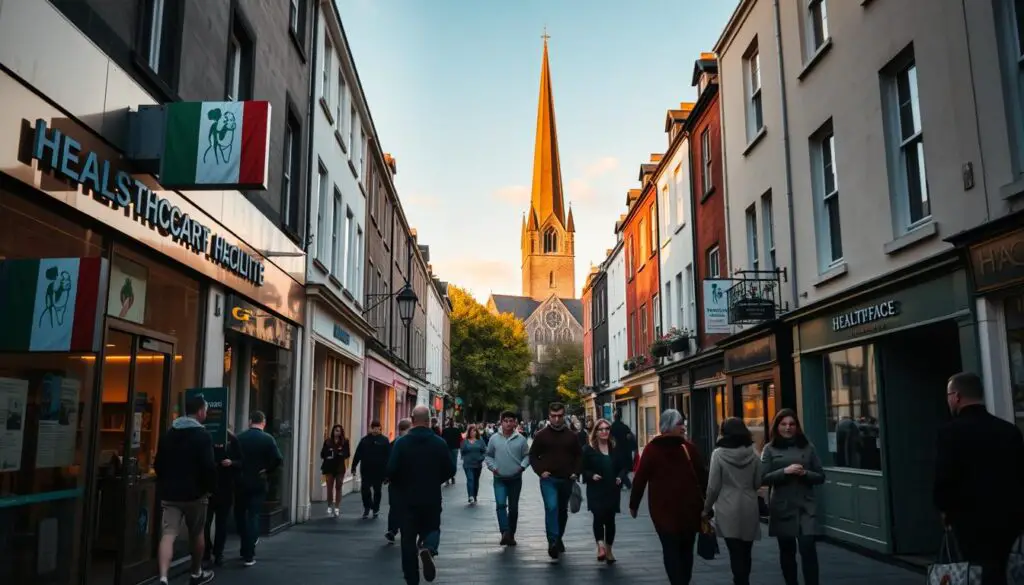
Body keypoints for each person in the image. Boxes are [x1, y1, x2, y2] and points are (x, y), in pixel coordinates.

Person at [935, 372, 1024, 585]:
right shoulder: (1009, 431)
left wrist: (944, 509)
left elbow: (945, 476)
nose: (948, 400)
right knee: (997, 567)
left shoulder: (950, 433)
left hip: (968, 517)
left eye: (948, 395)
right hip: (1008, 516)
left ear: (956, 396)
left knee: (975, 568)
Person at [629, 409, 707, 585]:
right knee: (685, 549)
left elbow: (640, 479)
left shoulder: (653, 449)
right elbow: (640, 479)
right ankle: (682, 581)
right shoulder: (688, 448)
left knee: (672, 549)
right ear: (669, 426)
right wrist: (633, 503)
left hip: (667, 511)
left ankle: (678, 581)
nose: (683, 428)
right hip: (685, 510)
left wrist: (634, 504)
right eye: (680, 424)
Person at [387, 405, 455, 584]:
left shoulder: (401, 443)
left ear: (412, 419)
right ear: (428, 421)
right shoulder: (439, 443)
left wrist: (399, 483)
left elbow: (391, 470)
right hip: (431, 497)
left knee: (407, 541)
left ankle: (412, 579)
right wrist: (435, 480)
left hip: (406, 499)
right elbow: (450, 469)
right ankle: (428, 548)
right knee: (432, 528)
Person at [154, 394, 217, 585]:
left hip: (171, 494)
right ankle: (196, 572)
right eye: (205, 410)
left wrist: (166, 483)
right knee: (197, 533)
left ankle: (163, 577)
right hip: (195, 495)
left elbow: (158, 464)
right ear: (200, 412)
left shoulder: (168, 435)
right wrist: (209, 488)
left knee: (168, 534)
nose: (205, 414)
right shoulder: (203, 436)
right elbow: (208, 467)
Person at [761, 408, 825, 585]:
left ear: (797, 426)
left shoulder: (808, 447)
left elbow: (820, 476)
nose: (788, 428)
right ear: (777, 426)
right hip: (782, 506)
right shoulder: (769, 449)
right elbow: (762, 478)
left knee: (808, 548)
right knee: (787, 550)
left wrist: (805, 473)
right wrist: (784, 471)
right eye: (783, 424)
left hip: (806, 506)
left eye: (791, 424)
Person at [703, 417, 762, 585]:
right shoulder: (754, 452)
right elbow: (758, 482)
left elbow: (713, 487)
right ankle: (745, 580)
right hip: (749, 505)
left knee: (734, 551)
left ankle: (739, 580)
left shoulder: (718, 454)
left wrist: (706, 508)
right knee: (746, 551)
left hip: (727, 506)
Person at [529, 401, 583, 559]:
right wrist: (540, 471)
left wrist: (576, 472)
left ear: (564, 415)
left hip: (566, 478)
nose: (557, 419)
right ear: (549, 417)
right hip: (549, 479)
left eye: (560, 416)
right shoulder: (541, 435)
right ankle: (552, 541)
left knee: (561, 510)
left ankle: (558, 537)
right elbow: (533, 455)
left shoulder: (571, 436)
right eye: (554, 416)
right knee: (551, 507)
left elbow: (579, 455)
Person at [235, 411, 284, 567]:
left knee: (241, 515)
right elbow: (278, 459)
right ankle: (250, 551)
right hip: (258, 481)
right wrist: (267, 470)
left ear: (250, 421)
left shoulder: (240, 438)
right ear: (263, 422)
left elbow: (233, 458)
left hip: (241, 481)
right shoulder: (268, 439)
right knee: (254, 515)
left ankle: (244, 546)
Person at [582, 418, 627, 564]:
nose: (604, 431)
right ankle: (600, 546)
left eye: (607, 429)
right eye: (601, 429)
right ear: (596, 432)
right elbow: (582, 468)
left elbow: (623, 467)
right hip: (596, 489)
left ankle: (609, 550)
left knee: (610, 520)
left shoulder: (615, 448)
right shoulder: (588, 449)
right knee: (598, 516)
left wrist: (620, 477)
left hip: (612, 489)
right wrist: (591, 475)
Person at [485, 410, 530, 546]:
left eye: (511, 421)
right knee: (500, 505)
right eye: (506, 421)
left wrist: (522, 467)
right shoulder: (494, 439)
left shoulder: (521, 439)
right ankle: (504, 531)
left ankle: (511, 534)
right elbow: (489, 456)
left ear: (515, 422)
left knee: (514, 508)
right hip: (499, 478)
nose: (508, 424)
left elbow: (527, 456)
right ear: (501, 422)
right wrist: (493, 467)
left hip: (515, 478)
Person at [203, 428, 242, 568]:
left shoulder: (233, 442)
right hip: (211, 488)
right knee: (206, 523)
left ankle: (217, 553)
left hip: (224, 488)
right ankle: (208, 550)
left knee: (220, 523)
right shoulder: (208, 439)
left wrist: (232, 463)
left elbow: (241, 462)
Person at [352, 420, 391, 519]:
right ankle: (367, 506)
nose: (375, 430)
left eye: (377, 428)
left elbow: (389, 456)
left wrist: (388, 473)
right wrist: (353, 467)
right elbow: (358, 454)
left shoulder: (384, 440)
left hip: (379, 470)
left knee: (377, 490)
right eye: (373, 427)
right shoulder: (365, 440)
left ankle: (376, 509)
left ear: (380, 428)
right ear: (370, 428)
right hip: (366, 469)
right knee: (365, 490)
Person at [386, 417, 414, 543]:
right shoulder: (401, 444)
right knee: (397, 506)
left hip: (398, 481)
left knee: (396, 506)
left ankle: (394, 529)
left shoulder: (394, 443)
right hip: (401, 481)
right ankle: (393, 529)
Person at [319, 424, 350, 518]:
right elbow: (322, 453)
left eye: (339, 431)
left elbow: (347, 453)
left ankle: (337, 507)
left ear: (341, 432)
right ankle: (329, 506)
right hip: (329, 466)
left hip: (339, 467)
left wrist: (341, 453)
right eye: (336, 430)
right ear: (333, 431)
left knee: (339, 486)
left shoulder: (345, 442)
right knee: (329, 487)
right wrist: (328, 454)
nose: (337, 432)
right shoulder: (328, 441)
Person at [460, 425, 486, 504]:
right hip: (468, 464)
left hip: (477, 464)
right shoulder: (465, 441)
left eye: (474, 431)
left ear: (476, 432)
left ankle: (475, 495)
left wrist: (481, 458)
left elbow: (484, 451)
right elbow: (462, 451)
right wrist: (465, 457)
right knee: (470, 479)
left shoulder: (480, 440)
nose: (472, 433)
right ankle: (470, 496)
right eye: (471, 431)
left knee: (476, 480)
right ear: (469, 432)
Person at [610, 410, 636, 489]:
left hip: (615, 451)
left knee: (618, 469)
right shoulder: (625, 427)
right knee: (624, 468)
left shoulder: (611, 427)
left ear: (614, 417)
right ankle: (625, 484)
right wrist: (633, 448)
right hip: (625, 451)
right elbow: (630, 437)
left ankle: (625, 484)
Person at [441, 419, 463, 486]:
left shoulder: (445, 430)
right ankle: (453, 477)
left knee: (447, 462)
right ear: (453, 424)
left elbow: (442, 439)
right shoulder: (457, 430)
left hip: (447, 448)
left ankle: (447, 478)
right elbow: (460, 439)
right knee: (454, 462)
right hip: (455, 448)